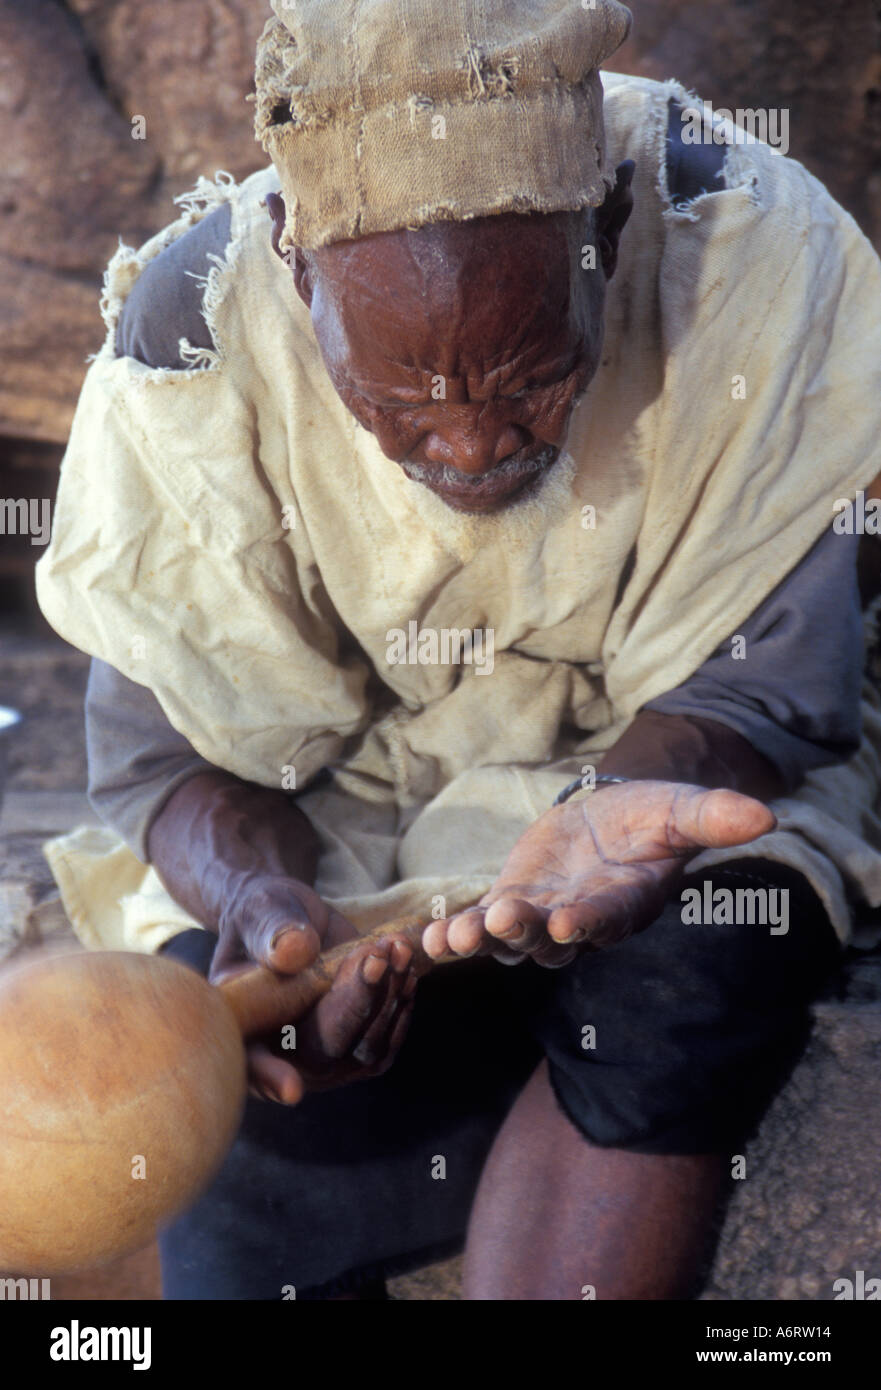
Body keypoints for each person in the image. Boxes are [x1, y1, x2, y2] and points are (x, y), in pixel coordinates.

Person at [36, 0, 881, 1299]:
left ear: (600, 229)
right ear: (296, 268)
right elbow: (168, 756)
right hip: (354, 815)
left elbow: (765, 683)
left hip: (657, 767)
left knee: (692, 961)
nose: (476, 446)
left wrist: (611, 816)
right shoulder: (192, 330)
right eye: (396, 406)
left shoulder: (754, 252)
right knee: (255, 1103)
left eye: (532, 378)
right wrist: (269, 916)